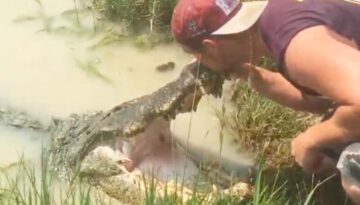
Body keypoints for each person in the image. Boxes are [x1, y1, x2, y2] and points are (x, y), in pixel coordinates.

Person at [170, 0, 360, 203]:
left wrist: (310, 140)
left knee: (353, 170)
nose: (197, 63)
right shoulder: (275, 18)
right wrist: (252, 76)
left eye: (193, 55)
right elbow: (320, 98)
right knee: (332, 145)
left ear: (211, 47)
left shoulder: (296, 44)